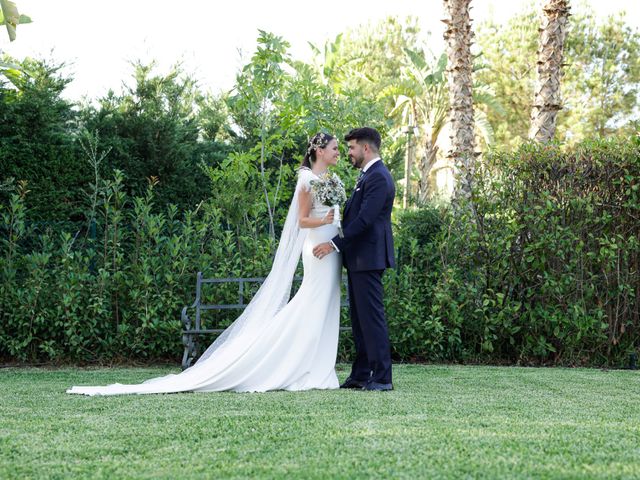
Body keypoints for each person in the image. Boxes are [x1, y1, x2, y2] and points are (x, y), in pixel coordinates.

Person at [67, 133, 342, 395]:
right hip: (317, 248)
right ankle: (292, 364)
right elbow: (302, 220)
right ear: (319, 151)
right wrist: (326, 221)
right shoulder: (306, 180)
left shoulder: (327, 178)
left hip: (330, 248)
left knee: (323, 305)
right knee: (311, 302)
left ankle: (315, 365)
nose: (338, 153)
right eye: (334, 148)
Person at [313, 127, 395, 391]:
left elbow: (364, 220)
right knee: (360, 320)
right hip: (359, 258)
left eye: (351, 148)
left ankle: (382, 377)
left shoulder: (379, 177)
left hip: (369, 257)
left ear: (366, 149)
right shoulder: (367, 176)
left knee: (371, 318)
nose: (349, 153)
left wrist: (334, 244)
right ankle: (361, 374)